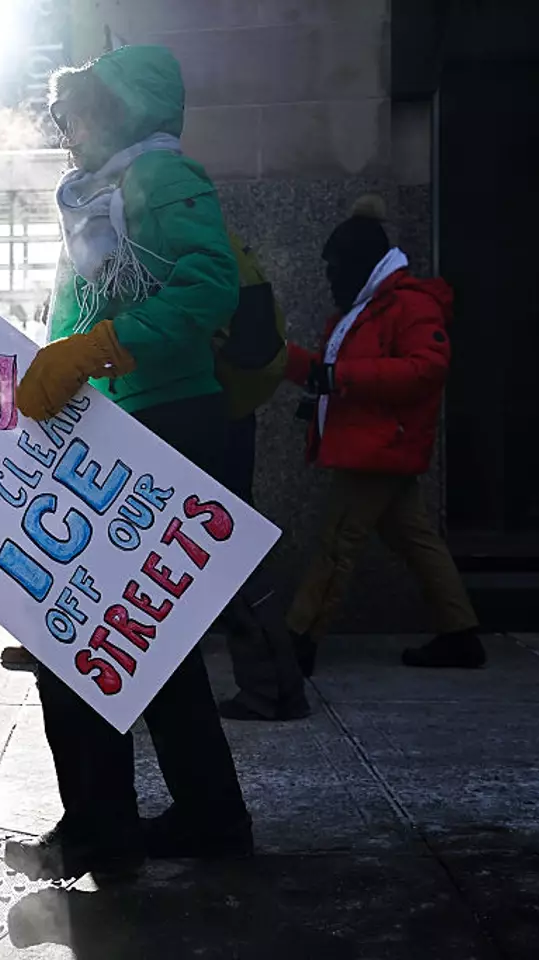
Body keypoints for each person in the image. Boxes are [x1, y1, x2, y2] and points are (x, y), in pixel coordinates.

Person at [6, 45, 252, 881]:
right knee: (157, 646)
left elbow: (209, 286)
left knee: (73, 638)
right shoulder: (99, 196)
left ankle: (98, 833)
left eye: (74, 112)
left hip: (167, 428)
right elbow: (76, 323)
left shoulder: (159, 180)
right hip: (126, 433)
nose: (63, 129)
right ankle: (211, 817)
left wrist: (101, 348)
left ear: (118, 110)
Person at [284, 196, 484, 673]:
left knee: (337, 544)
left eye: (335, 267)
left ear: (358, 264)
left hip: (376, 450)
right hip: (373, 444)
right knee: (415, 539)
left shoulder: (408, 305)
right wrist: (280, 359)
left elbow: (427, 369)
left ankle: (297, 643)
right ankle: (461, 634)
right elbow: (330, 373)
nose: (329, 277)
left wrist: (340, 378)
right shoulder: (368, 307)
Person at [209, 231, 311, 721]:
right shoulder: (209, 228)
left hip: (195, 408)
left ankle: (271, 687)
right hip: (225, 406)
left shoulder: (158, 226)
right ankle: (276, 685)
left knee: (227, 550)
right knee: (232, 546)